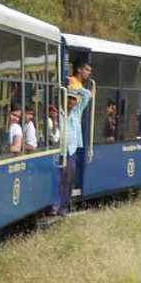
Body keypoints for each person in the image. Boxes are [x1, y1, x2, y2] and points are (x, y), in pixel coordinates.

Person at [53, 88, 92, 217]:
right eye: (68, 98)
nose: (71, 101)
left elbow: (87, 95)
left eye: (73, 99)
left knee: (69, 179)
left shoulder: (77, 111)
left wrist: (75, 88)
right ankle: (55, 206)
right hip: (59, 151)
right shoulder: (59, 112)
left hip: (71, 150)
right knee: (58, 180)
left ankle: (63, 208)